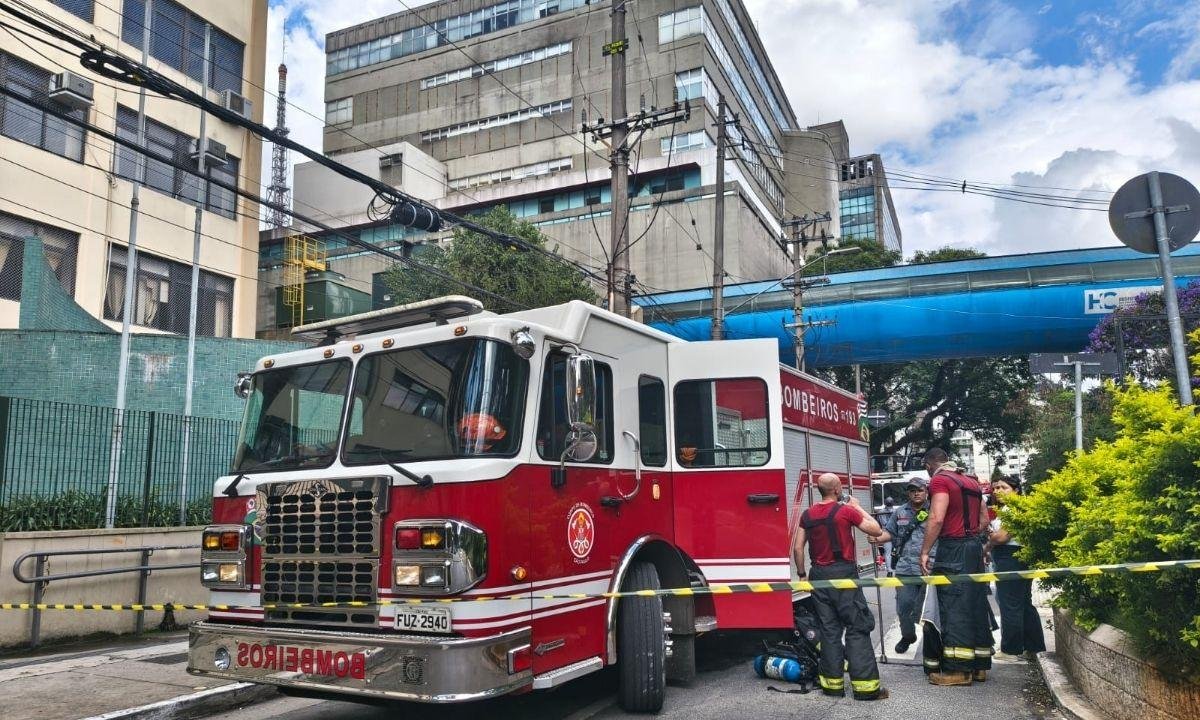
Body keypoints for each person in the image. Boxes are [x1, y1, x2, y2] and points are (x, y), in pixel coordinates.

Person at [793, 473, 889, 701]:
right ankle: (866, 689)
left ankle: (832, 687)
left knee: (829, 630)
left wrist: (802, 575)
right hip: (844, 575)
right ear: (837, 490)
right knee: (857, 627)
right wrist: (857, 506)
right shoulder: (846, 510)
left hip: (818, 577)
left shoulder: (807, 515)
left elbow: (798, 548)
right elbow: (876, 530)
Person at [918, 447, 993, 686]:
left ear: (929, 466)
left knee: (954, 607)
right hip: (973, 547)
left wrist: (925, 551)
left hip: (953, 548)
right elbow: (984, 520)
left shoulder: (940, 480)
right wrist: (970, 536)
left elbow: (937, 517)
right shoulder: (970, 481)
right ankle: (979, 666)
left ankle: (958, 671)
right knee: (975, 604)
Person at [870, 476, 933, 653]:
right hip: (905, 567)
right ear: (908, 493)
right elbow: (890, 532)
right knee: (904, 607)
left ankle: (932, 645)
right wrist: (876, 538)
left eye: (919, 490)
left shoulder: (935, 510)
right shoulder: (900, 512)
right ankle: (908, 636)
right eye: (912, 491)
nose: (916, 493)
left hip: (929, 567)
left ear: (926, 492)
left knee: (928, 610)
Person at [986, 477, 1046, 659]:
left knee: (1010, 603)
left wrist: (991, 538)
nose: (998, 491)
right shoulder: (1007, 509)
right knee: (1023, 603)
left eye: (1003, 487)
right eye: (995, 488)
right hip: (1012, 557)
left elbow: (1001, 537)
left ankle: (1010, 650)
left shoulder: (1014, 509)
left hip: (1011, 557)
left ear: (1016, 490)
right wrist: (991, 543)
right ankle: (1033, 646)